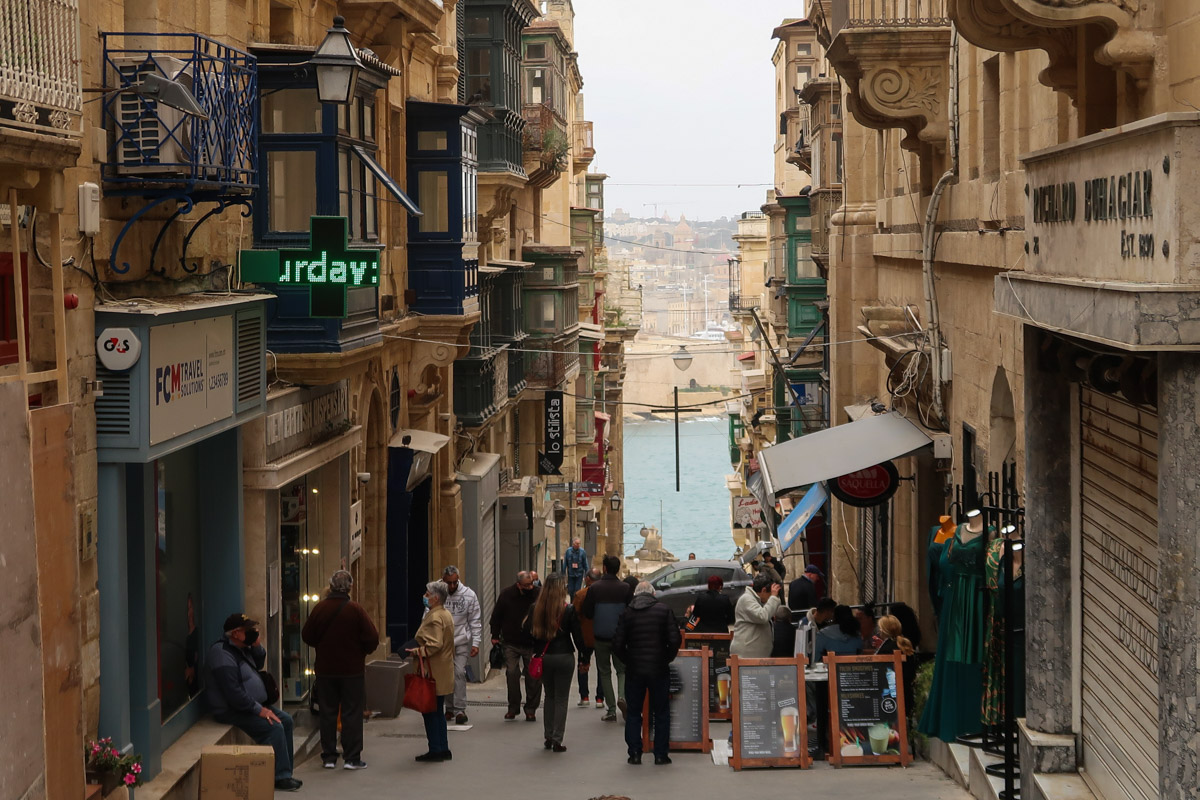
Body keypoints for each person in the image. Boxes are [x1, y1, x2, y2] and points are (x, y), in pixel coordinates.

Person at [205, 614, 300, 792]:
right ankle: (280, 777)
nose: (252, 632)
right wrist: (259, 710)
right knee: (274, 727)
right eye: (247, 630)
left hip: (251, 705)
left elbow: (257, 663)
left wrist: (257, 647)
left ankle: (285, 772)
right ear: (235, 633)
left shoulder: (241, 647)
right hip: (232, 709)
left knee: (286, 720)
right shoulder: (222, 654)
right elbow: (233, 693)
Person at [301, 570, 380, 770]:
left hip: (326, 669)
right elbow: (372, 638)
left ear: (331, 586)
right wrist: (361, 652)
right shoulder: (355, 610)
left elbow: (307, 636)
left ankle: (328, 756)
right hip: (351, 670)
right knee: (351, 712)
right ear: (350, 587)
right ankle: (352, 757)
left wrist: (323, 646)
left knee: (327, 712)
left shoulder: (320, 609)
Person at [612, 582, 681, 765]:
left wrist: (629, 660)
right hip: (658, 668)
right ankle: (660, 754)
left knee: (634, 712)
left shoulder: (627, 613)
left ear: (635, 595)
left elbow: (617, 644)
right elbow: (674, 639)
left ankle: (635, 752)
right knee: (661, 712)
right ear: (653, 593)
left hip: (634, 669)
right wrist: (666, 658)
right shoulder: (664, 610)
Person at [523, 573, 589, 752]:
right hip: (564, 656)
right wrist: (585, 658)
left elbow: (527, 632)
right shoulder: (567, 609)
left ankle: (548, 735)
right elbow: (578, 637)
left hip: (544, 658)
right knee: (561, 698)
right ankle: (557, 738)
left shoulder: (535, 608)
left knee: (549, 696)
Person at [582, 555, 634, 722]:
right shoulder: (626, 588)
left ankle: (611, 709)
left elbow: (587, 612)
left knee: (604, 672)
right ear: (618, 569)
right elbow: (631, 612)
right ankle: (622, 697)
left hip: (601, 636)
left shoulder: (595, 589)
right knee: (622, 670)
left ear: (604, 568)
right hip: (620, 637)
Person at [409, 581, 456, 762]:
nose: (425, 596)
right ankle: (443, 747)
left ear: (436, 598)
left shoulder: (435, 617)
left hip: (432, 671)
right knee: (437, 711)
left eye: (428, 594)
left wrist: (416, 652)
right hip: (442, 669)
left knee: (429, 711)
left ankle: (435, 749)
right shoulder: (445, 614)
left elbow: (435, 644)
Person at [490, 571, 541, 720]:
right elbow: (496, 616)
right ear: (518, 585)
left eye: (532, 583)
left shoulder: (538, 594)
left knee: (533, 677)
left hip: (532, 643)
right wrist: (495, 636)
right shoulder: (506, 594)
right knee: (512, 673)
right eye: (526, 585)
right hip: (511, 642)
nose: (530, 587)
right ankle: (513, 707)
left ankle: (531, 709)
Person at [439, 566, 482, 725]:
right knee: (446, 675)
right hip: (442, 643)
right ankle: (449, 707)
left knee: (458, 673)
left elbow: (475, 621)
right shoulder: (437, 593)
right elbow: (427, 616)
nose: (451, 586)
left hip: (460, 641)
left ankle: (459, 709)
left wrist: (475, 643)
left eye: (454, 583)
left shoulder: (469, 595)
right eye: (448, 583)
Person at [573, 568, 604, 707]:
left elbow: (574, 615)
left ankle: (584, 697)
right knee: (602, 667)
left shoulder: (580, 594)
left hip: (585, 636)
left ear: (588, 579)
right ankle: (600, 699)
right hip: (602, 634)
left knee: (583, 665)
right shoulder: (605, 594)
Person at [730, 574, 782, 658]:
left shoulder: (758, 600)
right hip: (747, 655)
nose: (770, 598)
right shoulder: (746, 599)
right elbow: (762, 616)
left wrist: (774, 599)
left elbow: (769, 610)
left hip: (756, 655)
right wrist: (773, 598)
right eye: (770, 594)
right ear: (764, 590)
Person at [876, 615, 916, 715]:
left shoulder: (887, 649)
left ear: (883, 630)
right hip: (906, 693)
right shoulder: (904, 645)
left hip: (891, 698)